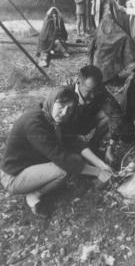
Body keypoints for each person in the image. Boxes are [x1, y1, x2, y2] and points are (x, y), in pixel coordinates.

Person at [0, 86, 113, 217]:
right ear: (52, 101)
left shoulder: (52, 116)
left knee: (74, 158)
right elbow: (62, 159)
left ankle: (38, 182)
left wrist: (101, 165)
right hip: (13, 175)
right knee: (63, 170)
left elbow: (75, 141)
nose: (64, 112)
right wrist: (98, 172)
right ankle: (33, 195)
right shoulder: (34, 123)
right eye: (61, 106)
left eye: (69, 108)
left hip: (31, 163)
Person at [68, 65, 123, 155]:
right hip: (69, 127)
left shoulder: (99, 89)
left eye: (95, 91)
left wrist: (111, 146)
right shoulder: (67, 92)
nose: (93, 96)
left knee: (107, 115)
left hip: (86, 122)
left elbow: (115, 114)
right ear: (78, 82)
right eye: (89, 91)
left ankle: (94, 144)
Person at [89, 0, 135, 82]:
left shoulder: (111, 1)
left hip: (109, 23)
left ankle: (113, 74)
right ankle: (103, 76)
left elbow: (116, 12)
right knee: (103, 48)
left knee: (119, 42)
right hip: (105, 25)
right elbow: (97, 13)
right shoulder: (101, 0)